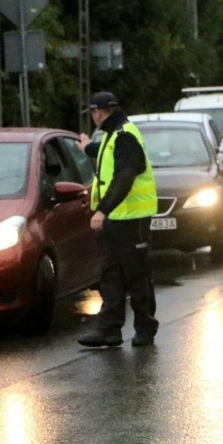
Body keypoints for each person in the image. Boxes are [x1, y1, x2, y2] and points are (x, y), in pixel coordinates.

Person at [77, 91, 159, 347]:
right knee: (111, 274)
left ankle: (145, 327)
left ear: (98, 112)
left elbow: (124, 177)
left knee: (136, 275)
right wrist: (88, 147)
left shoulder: (125, 136)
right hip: (116, 220)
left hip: (132, 219)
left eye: (92, 113)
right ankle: (109, 330)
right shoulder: (114, 135)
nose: (93, 118)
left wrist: (102, 210)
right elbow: (106, 152)